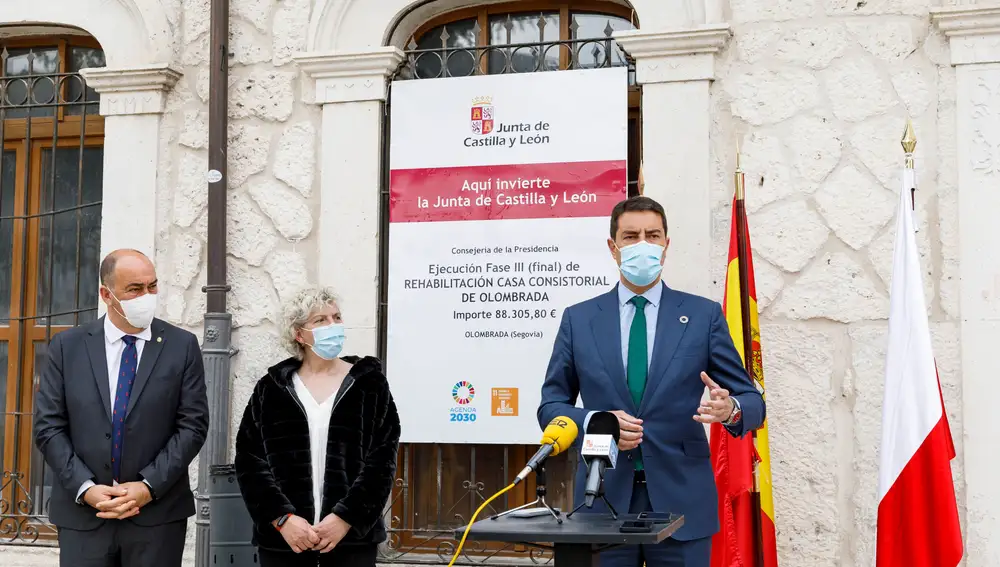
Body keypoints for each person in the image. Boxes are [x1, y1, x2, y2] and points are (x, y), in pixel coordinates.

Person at [537, 196, 765, 567]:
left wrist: (731, 409)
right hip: (602, 503)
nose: (642, 244)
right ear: (613, 248)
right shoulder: (579, 320)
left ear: (665, 245)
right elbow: (550, 408)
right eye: (631, 236)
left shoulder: (703, 316)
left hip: (683, 505)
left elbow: (753, 403)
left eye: (652, 235)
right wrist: (598, 421)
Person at [33, 249, 210, 567]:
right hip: (84, 517)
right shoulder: (67, 347)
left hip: (156, 518)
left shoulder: (181, 346)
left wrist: (147, 486)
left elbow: (193, 426)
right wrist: (86, 489)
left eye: (152, 286)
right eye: (134, 289)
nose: (147, 296)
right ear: (106, 294)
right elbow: (48, 427)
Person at [235, 286, 401, 567]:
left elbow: (382, 461)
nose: (333, 325)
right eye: (320, 320)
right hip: (284, 543)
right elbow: (249, 461)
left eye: (336, 317)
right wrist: (282, 518)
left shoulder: (369, 383)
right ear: (299, 334)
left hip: (351, 542)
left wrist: (346, 517)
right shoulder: (272, 388)